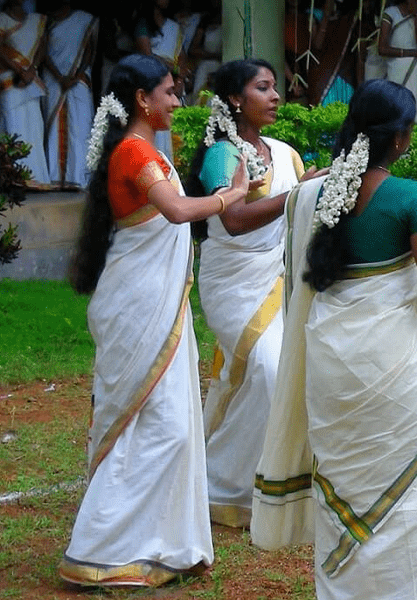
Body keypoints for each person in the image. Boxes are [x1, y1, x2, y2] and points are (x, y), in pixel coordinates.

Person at [253, 79, 417, 599]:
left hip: (332, 370)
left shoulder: (311, 196)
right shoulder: (410, 197)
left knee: (349, 491)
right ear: (401, 138)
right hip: (401, 375)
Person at [59, 53, 250, 587]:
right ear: (144, 99)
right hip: (139, 304)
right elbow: (178, 212)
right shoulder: (133, 152)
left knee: (172, 427)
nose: (176, 101)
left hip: (156, 305)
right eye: (169, 92)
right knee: (161, 428)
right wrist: (229, 195)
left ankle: (160, 546)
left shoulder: (145, 150)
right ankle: (100, 549)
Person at [184, 59, 321, 529]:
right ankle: (222, 486)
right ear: (237, 100)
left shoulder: (284, 152)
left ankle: (268, 482)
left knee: (276, 375)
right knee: (262, 369)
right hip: (233, 281)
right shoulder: (223, 154)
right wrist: (298, 196)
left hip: (278, 277)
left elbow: (296, 220)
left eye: (275, 87)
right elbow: (235, 221)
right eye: (263, 88)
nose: (276, 95)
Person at [41, 0, 97, 189]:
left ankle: (77, 178)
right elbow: (43, 54)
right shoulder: (46, 23)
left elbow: (88, 51)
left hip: (79, 80)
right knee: (53, 127)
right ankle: (55, 178)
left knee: (79, 127)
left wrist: (77, 74)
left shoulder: (84, 20)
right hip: (53, 81)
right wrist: (59, 77)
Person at [0, 0, 51, 186]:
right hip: (9, 82)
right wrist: (20, 71)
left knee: (34, 128)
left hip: (31, 81)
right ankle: (15, 180)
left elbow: (42, 46)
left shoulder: (37, 20)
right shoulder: (2, 20)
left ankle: (36, 179)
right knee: (13, 127)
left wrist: (32, 69)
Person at [134, 0, 185, 158]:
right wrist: (169, 67)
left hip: (172, 82)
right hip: (152, 81)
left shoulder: (173, 26)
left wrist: (179, 79)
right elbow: (146, 54)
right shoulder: (143, 24)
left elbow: (182, 57)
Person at [380, 0, 417, 125]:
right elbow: (382, 48)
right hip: (397, 71)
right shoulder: (391, 13)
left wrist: (416, 15)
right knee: (398, 114)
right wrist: (412, 53)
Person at [186, 7, 222, 102]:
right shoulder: (205, 22)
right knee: (199, 99)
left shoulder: (228, 22)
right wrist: (215, 56)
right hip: (205, 68)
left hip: (222, 67)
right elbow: (193, 49)